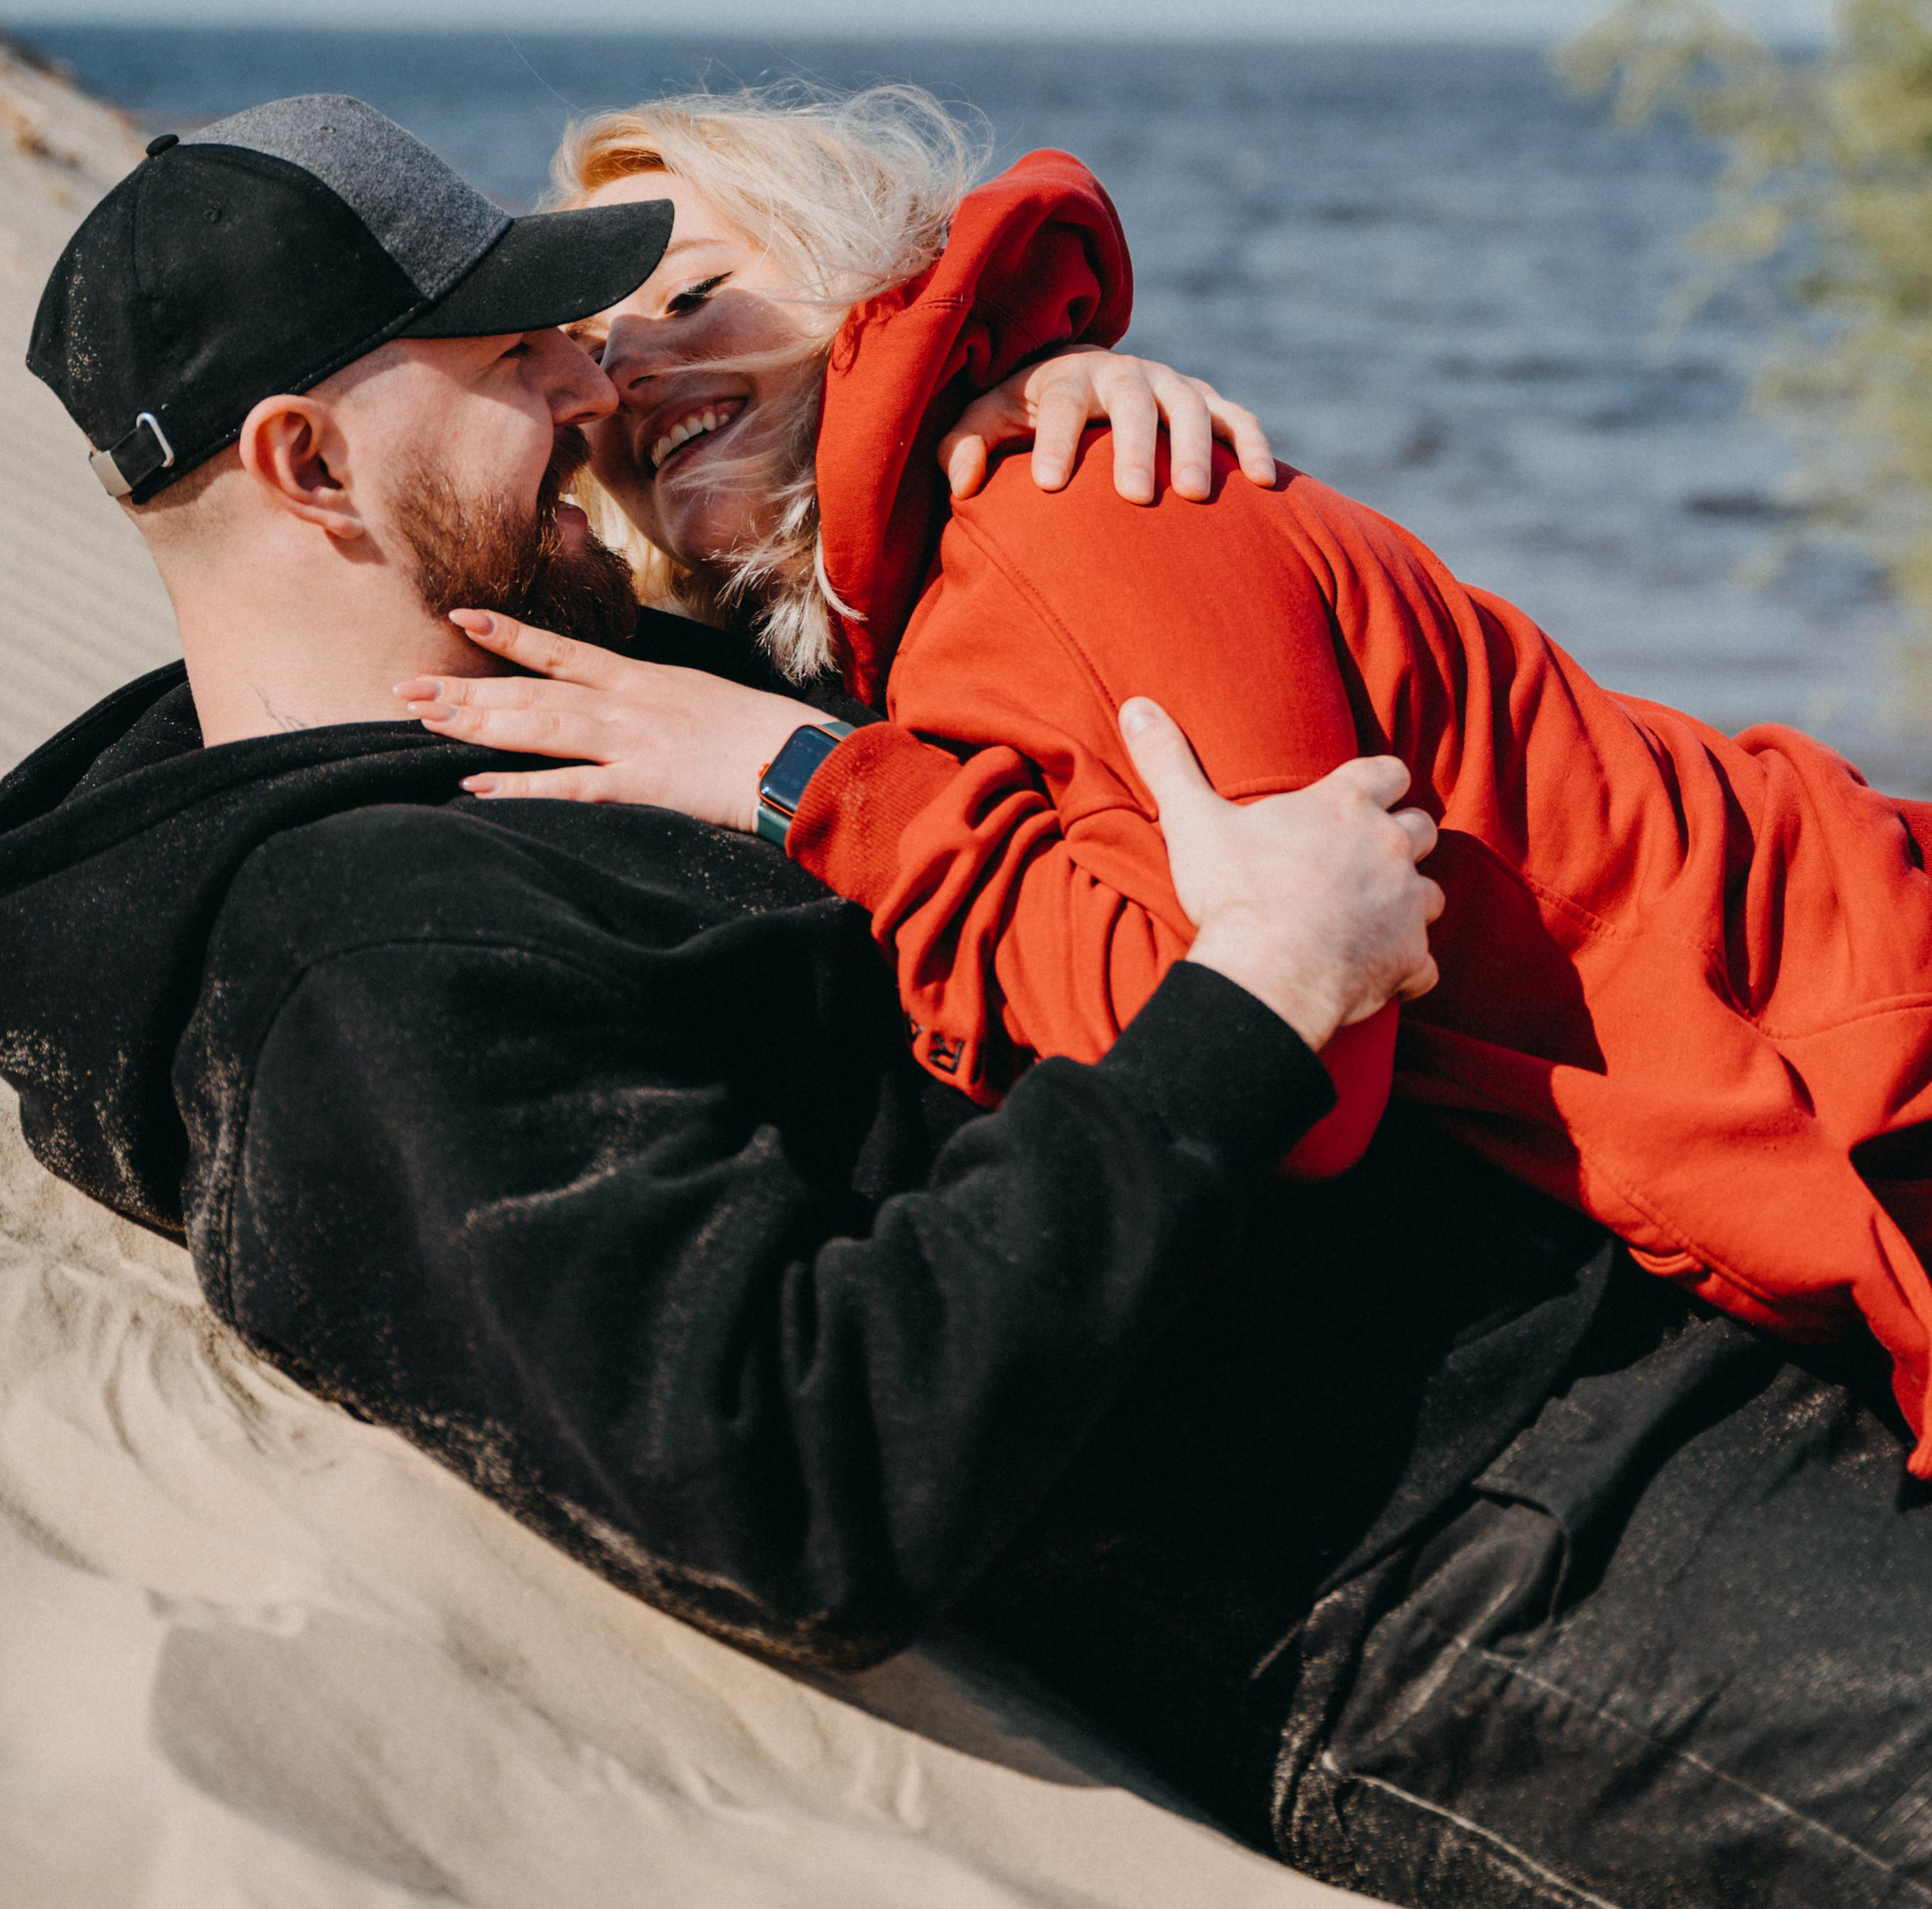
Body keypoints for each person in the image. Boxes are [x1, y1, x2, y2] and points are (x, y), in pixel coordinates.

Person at [12, 94, 1932, 1908]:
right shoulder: (363, 951)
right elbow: (784, 1468)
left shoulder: (594, 680)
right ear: (308, 463)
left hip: (1647, 1322)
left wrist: (1000, 396)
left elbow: (942, 633)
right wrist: (1251, 992)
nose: (591, 385)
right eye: (517, 358)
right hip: (1466, 1561)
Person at [398, 86, 1932, 1470]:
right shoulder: (937, 574)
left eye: (691, 295)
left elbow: (1286, 1063)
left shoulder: (1066, 506)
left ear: (861, 278)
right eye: (593, 352)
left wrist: (814, 786)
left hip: (1868, 1061)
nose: (629, 371)